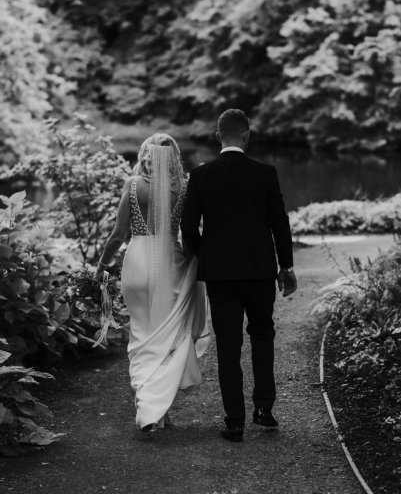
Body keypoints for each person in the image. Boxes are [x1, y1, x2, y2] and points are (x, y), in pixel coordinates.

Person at [181, 109, 297, 442]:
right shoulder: (265, 173)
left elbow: (188, 227)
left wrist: (209, 257)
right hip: (260, 271)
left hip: (221, 276)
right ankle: (264, 409)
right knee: (262, 334)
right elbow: (279, 222)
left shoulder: (201, 176)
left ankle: (234, 422)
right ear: (246, 135)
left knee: (229, 345)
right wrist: (285, 266)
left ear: (219, 137)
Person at [95, 133, 209, 433]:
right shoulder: (184, 187)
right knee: (168, 336)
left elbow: (118, 235)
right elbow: (192, 233)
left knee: (141, 334)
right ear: (173, 156)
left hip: (137, 263)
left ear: (145, 153)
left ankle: (152, 409)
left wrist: (101, 266)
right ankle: (156, 409)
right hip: (170, 262)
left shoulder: (132, 185)